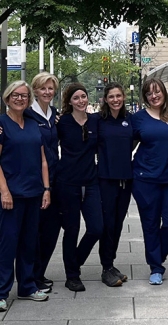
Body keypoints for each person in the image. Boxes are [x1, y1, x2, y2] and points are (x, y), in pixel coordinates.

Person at [0, 81, 51, 312]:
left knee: (29, 244)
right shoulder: (1, 125)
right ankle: (1, 292)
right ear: (7, 98)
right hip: (10, 196)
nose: (20, 99)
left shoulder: (33, 125)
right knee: (7, 244)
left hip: (34, 192)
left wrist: (46, 189)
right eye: (15, 95)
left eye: (24, 96)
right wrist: (4, 191)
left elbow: (42, 160)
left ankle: (27, 287)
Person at [131, 78, 168, 285]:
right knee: (150, 224)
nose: (154, 96)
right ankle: (156, 267)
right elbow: (127, 144)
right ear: (145, 97)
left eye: (157, 91)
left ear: (163, 92)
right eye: (149, 93)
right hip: (145, 180)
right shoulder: (138, 119)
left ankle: (158, 254)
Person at [56, 83, 103, 292]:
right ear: (69, 101)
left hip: (91, 182)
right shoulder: (62, 122)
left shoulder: (95, 120)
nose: (81, 100)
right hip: (68, 183)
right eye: (76, 98)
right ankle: (72, 276)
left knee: (96, 228)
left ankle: (75, 261)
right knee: (72, 230)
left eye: (83, 96)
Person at [23, 72, 60, 293]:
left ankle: (40, 272)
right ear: (35, 91)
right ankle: (31, 276)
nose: (47, 92)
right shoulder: (28, 115)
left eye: (50, 88)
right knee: (33, 232)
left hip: (54, 180)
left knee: (50, 230)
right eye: (42, 88)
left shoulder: (53, 115)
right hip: (34, 181)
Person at [97, 82, 133, 287]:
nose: (115, 100)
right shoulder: (98, 120)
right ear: (105, 99)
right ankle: (105, 266)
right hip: (105, 180)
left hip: (126, 180)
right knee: (107, 225)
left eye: (118, 96)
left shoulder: (130, 120)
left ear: (124, 97)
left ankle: (111, 263)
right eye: (111, 96)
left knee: (118, 224)